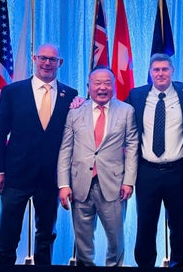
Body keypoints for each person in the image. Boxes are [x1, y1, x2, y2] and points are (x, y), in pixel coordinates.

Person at [0, 43, 78, 265]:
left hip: (50, 178)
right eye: (42, 58)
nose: (47, 63)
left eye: (52, 59)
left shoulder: (71, 95)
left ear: (60, 63)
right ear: (34, 59)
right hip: (15, 176)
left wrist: (83, 105)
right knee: (7, 238)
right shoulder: (12, 92)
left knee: (46, 237)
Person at [57, 66, 138, 266]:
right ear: (88, 86)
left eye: (107, 83)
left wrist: (129, 181)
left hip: (114, 185)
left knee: (116, 240)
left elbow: (132, 147)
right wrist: (63, 184)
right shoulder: (75, 112)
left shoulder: (126, 111)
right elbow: (65, 149)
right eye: (97, 83)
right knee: (83, 241)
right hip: (79, 185)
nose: (102, 87)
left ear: (113, 86)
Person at [125, 53, 183, 268]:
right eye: (156, 70)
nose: (161, 73)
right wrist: (81, 102)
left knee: (179, 225)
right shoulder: (136, 95)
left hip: (178, 171)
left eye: (165, 69)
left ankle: (179, 265)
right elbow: (115, 112)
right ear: (150, 72)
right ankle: (145, 265)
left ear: (172, 71)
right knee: (145, 225)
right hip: (147, 172)